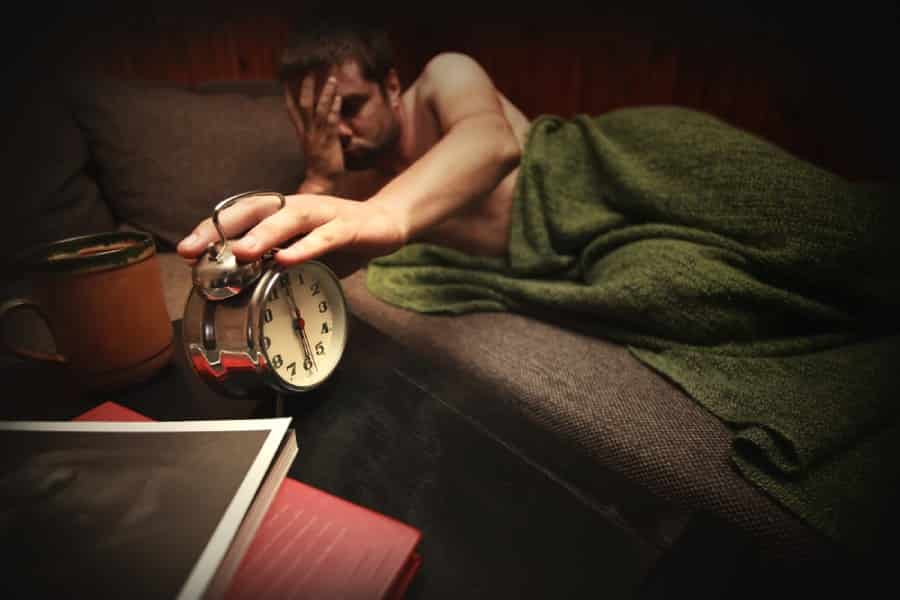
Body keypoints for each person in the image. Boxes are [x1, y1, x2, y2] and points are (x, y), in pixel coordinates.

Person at [176, 17, 529, 273]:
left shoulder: (443, 76)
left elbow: (493, 141)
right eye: (320, 119)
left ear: (392, 87)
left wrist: (383, 213)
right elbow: (301, 268)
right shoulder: (352, 185)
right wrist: (320, 178)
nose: (339, 131)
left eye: (350, 107)